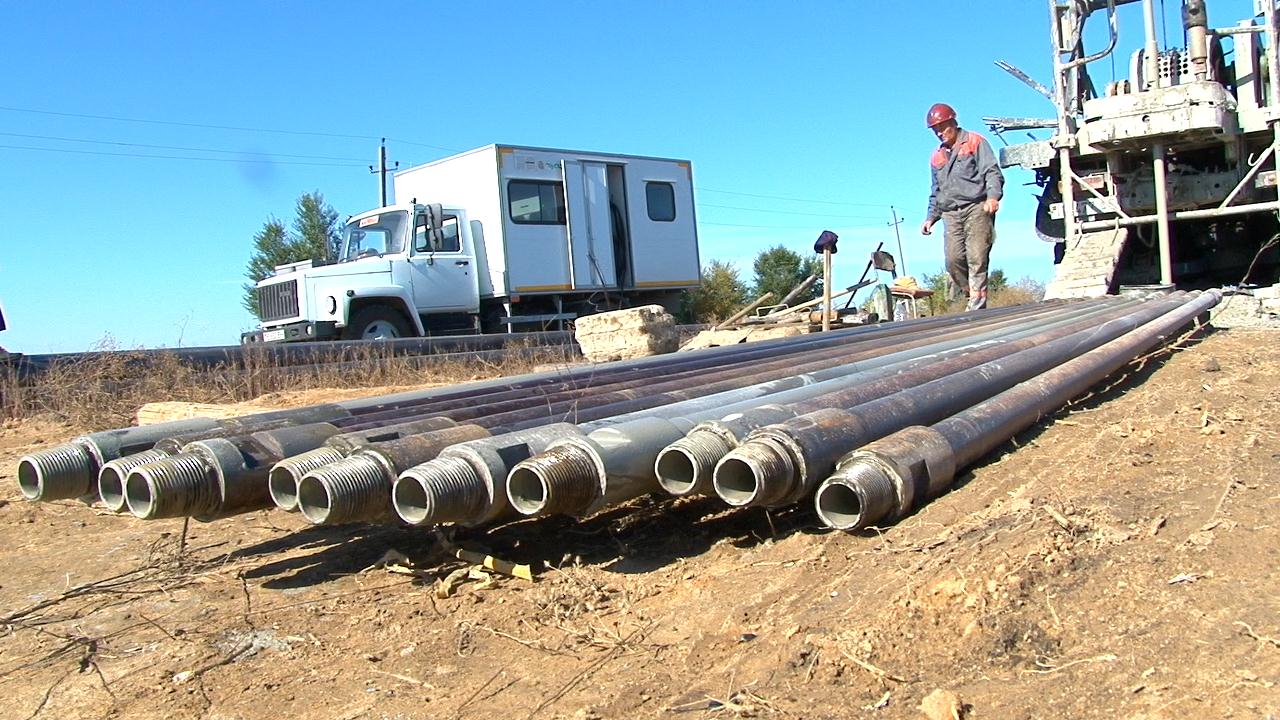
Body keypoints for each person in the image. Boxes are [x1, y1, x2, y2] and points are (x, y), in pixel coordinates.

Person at [919, 103, 1004, 311]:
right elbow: (936, 190)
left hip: (976, 207)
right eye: (935, 130)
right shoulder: (936, 156)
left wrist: (993, 197)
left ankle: (977, 303)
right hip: (950, 212)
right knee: (953, 259)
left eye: (942, 127)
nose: (939, 133)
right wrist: (930, 217)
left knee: (977, 255)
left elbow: (992, 171)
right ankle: (971, 292)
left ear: (953, 123)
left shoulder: (974, 142)